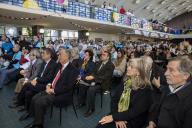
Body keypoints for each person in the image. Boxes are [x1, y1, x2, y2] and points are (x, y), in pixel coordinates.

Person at [25, 48, 78, 128]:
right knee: (35, 98)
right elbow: (53, 78)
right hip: (52, 88)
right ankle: (35, 118)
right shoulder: (59, 65)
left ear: (67, 56)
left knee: (39, 101)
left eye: (60, 54)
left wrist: (53, 90)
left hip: (62, 94)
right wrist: (49, 85)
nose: (58, 56)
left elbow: (67, 87)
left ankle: (38, 125)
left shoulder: (73, 70)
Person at [147, 56, 192, 128]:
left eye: (171, 70)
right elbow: (157, 109)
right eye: (167, 69)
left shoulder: (189, 101)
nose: (165, 73)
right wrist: (152, 122)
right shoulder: (168, 88)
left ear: (185, 75)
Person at [78, 48, 114, 117]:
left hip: (103, 84)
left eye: (104, 55)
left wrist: (93, 78)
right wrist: (91, 76)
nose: (102, 56)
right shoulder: (99, 62)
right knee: (83, 82)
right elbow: (94, 72)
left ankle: (91, 109)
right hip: (96, 80)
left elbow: (105, 77)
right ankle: (82, 102)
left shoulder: (111, 65)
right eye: (102, 55)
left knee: (91, 89)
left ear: (108, 57)